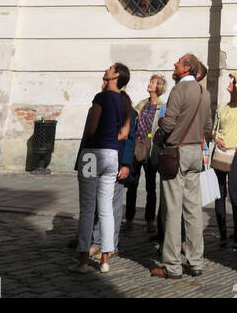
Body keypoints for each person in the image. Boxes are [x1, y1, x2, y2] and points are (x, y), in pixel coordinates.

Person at [151, 54, 213, 280]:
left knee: (172, 211)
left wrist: (160, 123)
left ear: (187, 68)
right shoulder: (203, 92)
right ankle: (196, 262)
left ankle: (172, 266)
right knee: (193, 211)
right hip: (195, 152)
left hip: (176, 153)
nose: (175, 65)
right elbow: (208, 126)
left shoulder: (178, 90)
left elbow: (169, 122)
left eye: (178, 62)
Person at [70, 62, 132, 274]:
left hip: (92, 153)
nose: (107, 69)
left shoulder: (101, 97)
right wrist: (110, 140)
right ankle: (105, 260)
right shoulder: (126, 102)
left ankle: (83, 260)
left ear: (116, 76)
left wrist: (94, 138)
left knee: (87, 208)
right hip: (112, 154)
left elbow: (92, 128)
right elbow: (124, 134)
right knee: (106, 209)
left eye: (111, 68)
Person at [212, 73, 237, 248]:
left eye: (233, 83)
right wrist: (215, 138)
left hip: (236, 155)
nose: (230, 84)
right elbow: (214, 129)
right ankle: (222, 233)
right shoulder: (222, 107)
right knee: (219, 194)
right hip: (220, 152)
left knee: (234, 194)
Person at [124, 74, 167, 232]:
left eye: (154, 82)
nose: (150, 84)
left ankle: (150, 220)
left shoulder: (162, 106)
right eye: (150, 81)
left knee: (151, 187)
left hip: (152, 149)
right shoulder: (141, 104)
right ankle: (129, 219)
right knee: (132, 185)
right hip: (138, 147)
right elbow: (132, 124)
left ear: (159, 87)